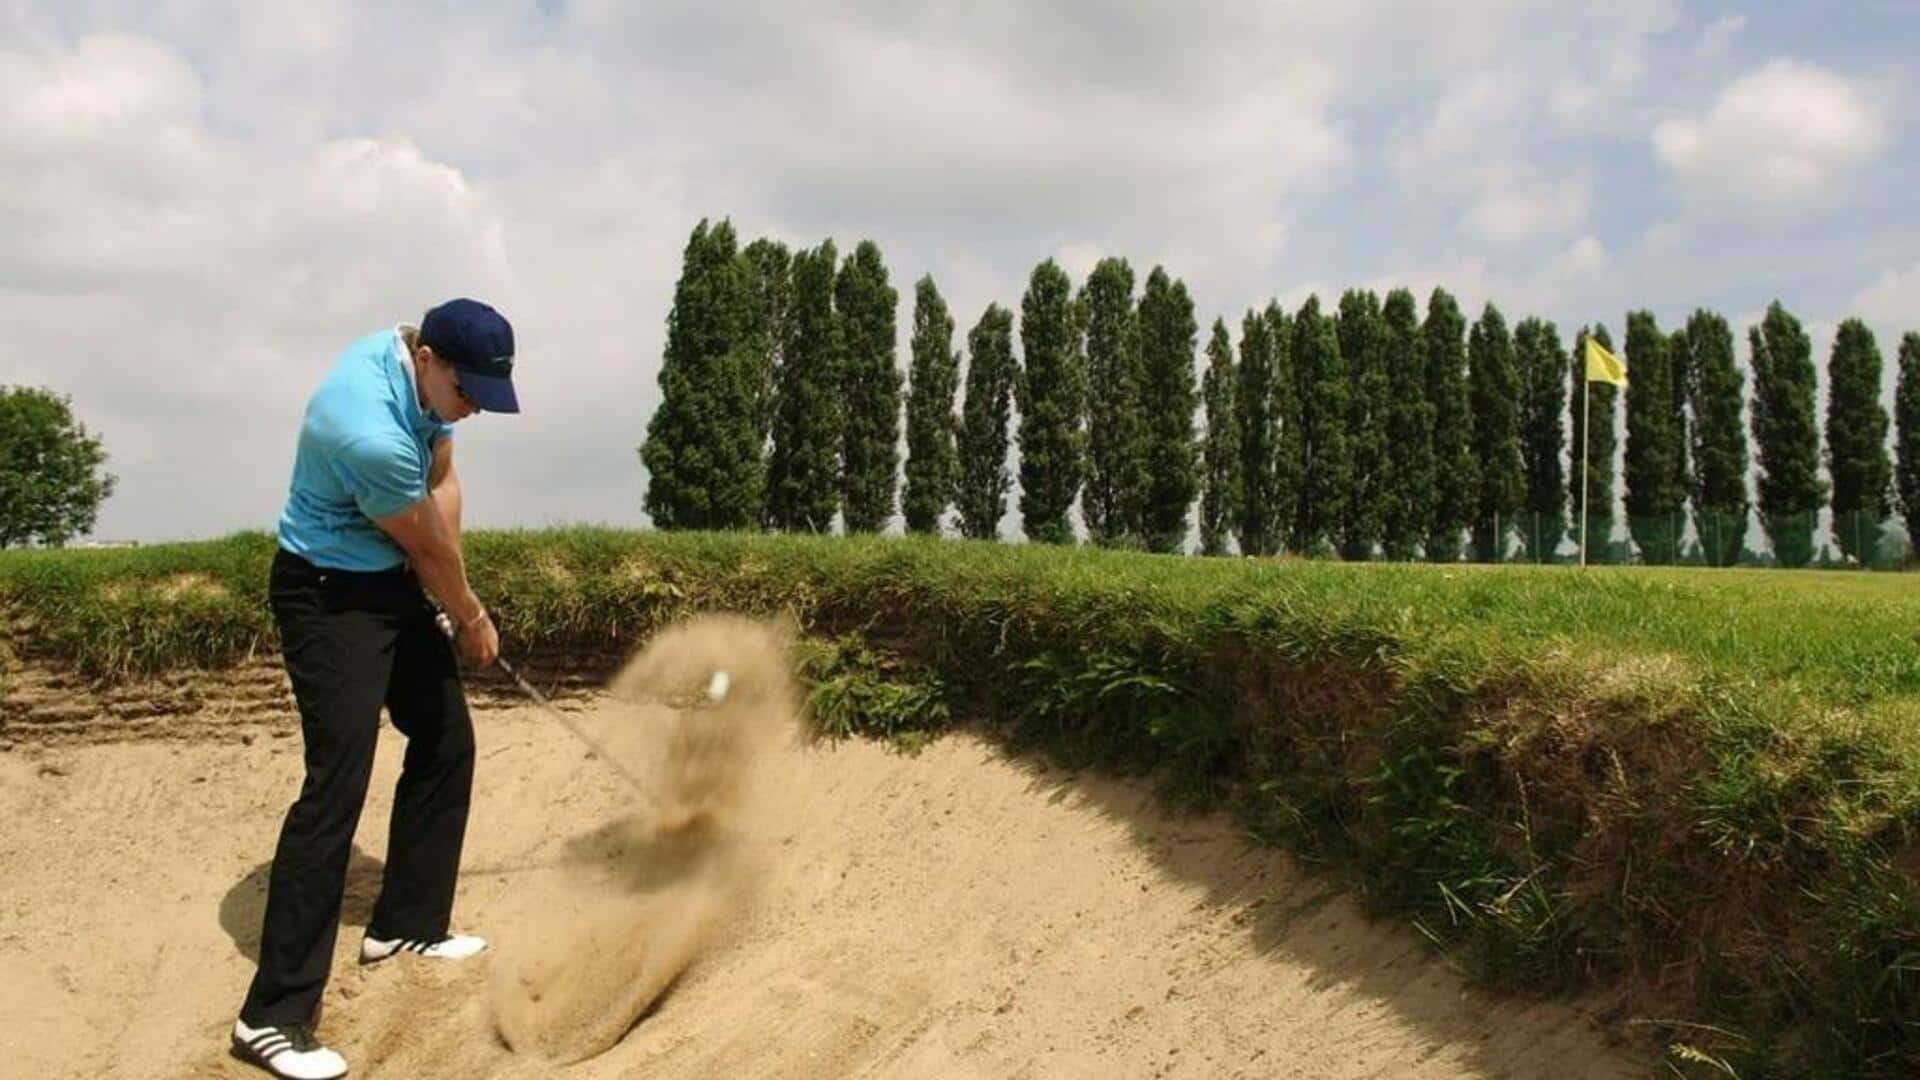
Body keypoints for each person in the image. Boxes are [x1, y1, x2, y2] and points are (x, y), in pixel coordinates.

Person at [230, 298, 519, 1080]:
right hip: (326, 594)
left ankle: (407, 925)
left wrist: (443, 578)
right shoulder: (365, 424)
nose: (473, 411)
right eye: (470, 395)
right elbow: (425, 543)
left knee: (445, 737)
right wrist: (471, 617)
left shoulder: (423, 378)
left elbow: (442, 484)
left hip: (386, 576)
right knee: (338, 784)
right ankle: (271, 1017)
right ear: (429, 359)